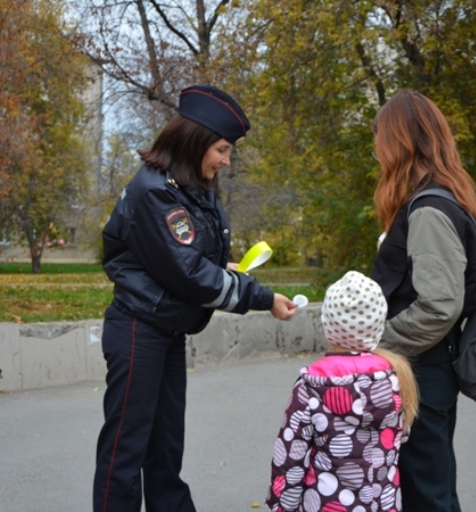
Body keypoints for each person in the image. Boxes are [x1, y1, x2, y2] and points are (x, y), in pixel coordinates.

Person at [93, 84, 297, 512]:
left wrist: (229, 272)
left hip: (166, 329)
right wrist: (261, 296)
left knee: (165, 445)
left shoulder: (189, 189)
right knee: (126, 449)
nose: (226, 160)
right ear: (196, 139)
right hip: (138, 330)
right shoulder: (156, 192)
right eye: (222, 149)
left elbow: (189, 262)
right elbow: (190, 275)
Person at [370, 89, 476, 512]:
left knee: (426, 496)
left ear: (399, 142)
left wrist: (374, 344)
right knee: (427, 488)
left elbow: (439, 305)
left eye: (379, 142)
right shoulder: (438, 198)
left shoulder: (429, 208)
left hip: (420, 374)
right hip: (423, 370)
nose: (377, 154)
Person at [265, 270, 419, 512]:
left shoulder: (310, 386)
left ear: (327, 325)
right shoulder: (397, 378)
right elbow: (400, 437)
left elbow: (290, 457)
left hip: (327, 504)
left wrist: (282, 506)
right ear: (377, 327)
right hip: (382, 503)